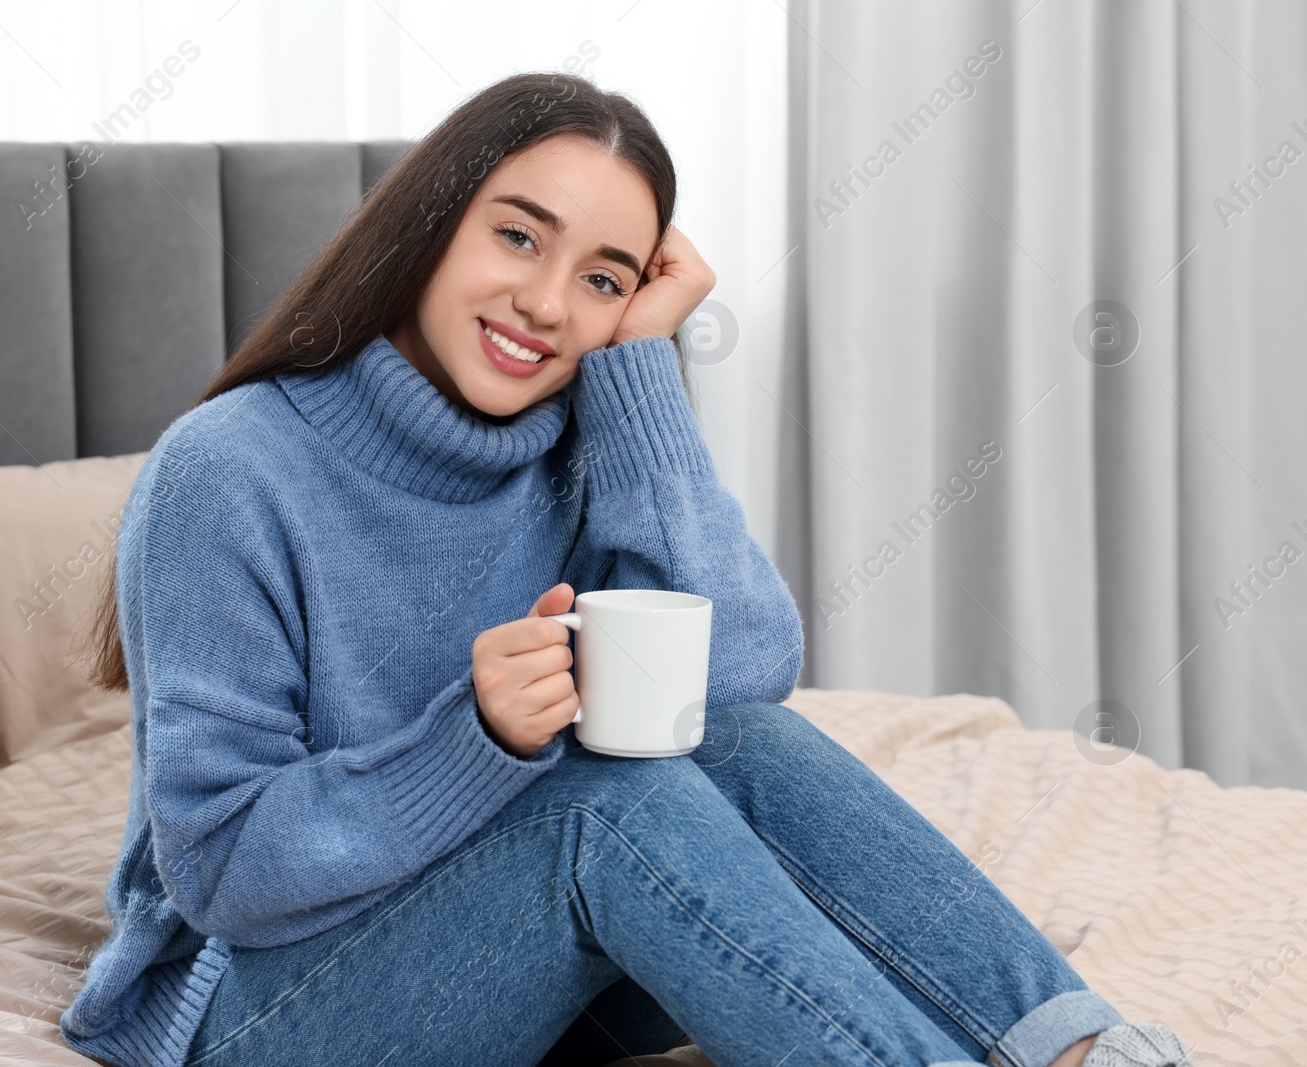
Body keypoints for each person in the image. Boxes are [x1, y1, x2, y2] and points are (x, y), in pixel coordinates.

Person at [58, 71, 1193, 1067]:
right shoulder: (229, 471)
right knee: (609, 800)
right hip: (265, 1010)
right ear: (430, 227)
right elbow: (219, 872)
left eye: (603, 280)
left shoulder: (579, 442)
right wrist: (478, 741)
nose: (547, 305)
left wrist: (640, 371)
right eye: (517, 236)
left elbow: (744, 671)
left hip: (535, 970)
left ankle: (1087, 1049)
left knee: (740, 741)